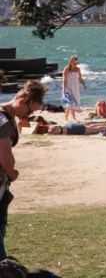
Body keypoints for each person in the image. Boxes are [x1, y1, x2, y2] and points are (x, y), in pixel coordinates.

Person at [0, 81, 46, 258]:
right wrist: (12, 173)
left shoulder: (7, 117)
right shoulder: (3, 119)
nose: (29, 115)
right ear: (23, 100)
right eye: (29, 111)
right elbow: (4, 155)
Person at [60, 55, 86, 122]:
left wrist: (84, 84)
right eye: (73, 61)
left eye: (75, 62)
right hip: (68, 88)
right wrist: (64, 89)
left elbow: (80, 78)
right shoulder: (66, 69)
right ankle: (66, 117)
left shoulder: (78, 69)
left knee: (73, 103)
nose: (74, 63)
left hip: (75, 88)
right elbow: (64, 79)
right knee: (69, 103)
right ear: (70, 61)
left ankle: (72, 117)